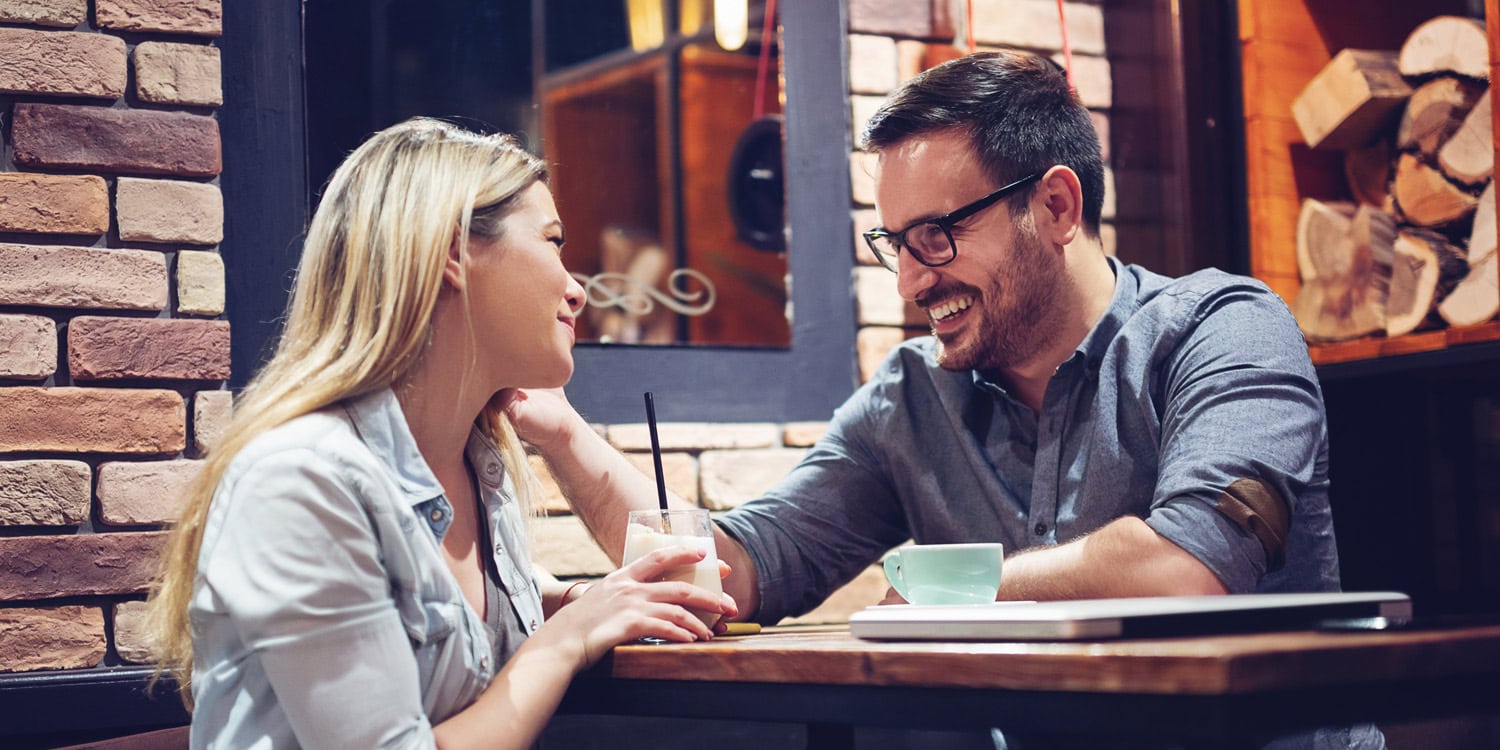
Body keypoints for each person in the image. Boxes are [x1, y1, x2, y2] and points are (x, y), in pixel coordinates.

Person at [143, 117, 736, 749]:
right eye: (553, 242)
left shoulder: (476, 464)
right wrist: (568, 639)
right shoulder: (301, 479)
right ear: (452, 253)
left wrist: (586, 600)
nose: (576, 290)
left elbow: (454, 608)